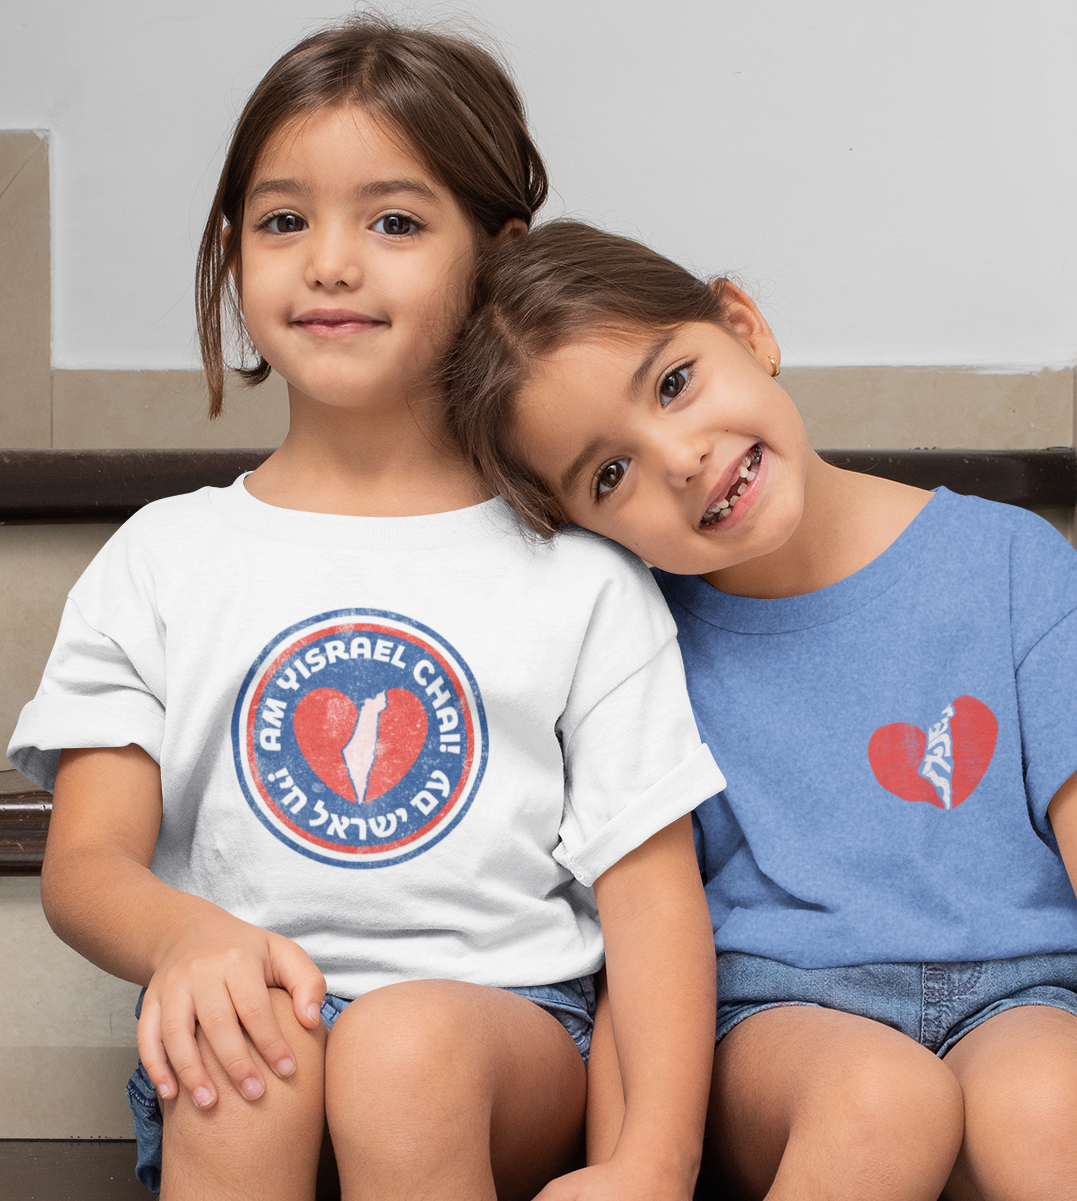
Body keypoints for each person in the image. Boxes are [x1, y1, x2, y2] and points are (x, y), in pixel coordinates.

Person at [7, 33, 723, 1201]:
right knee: (256, 1056)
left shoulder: (577, 577)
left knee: (403, 1050)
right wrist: (186, 938)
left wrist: (653, 1162)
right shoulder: (166, 557)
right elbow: (86, 862)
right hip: (246, 1018)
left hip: (507, 1029)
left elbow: (652, 905)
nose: (331, 263)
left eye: (393, 222)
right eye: (284, 222)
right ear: (234, 251)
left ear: (495, 262)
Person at [441, 219, 1077, 1201]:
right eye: (610, 474)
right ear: (585, 529)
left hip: (1022, 987)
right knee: (877, 1100)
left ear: (745, 325)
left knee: (1049, 1109)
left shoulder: (1009, 566)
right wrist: (627, 1163)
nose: (678, 457)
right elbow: (642, 925)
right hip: (777, 1010)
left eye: (673, 383)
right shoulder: (638, 645)